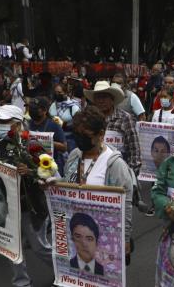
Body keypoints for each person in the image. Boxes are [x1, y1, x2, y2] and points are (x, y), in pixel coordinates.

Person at [0, 105, 53, 287]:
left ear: (17, 125)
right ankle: (22, 283)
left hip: (29, 207)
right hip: (6, 209)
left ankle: (64, 272)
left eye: (5, 122)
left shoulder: (32, 146)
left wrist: (30, 171)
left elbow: (49, 173)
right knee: (12, 248)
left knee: (40, 247)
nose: (0, 126)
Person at [63, 106, 133, 260]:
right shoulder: (74, 156)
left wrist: (125, 239)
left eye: (85, 135)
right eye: (77, 134)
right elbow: (66, 185)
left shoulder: (115, 165)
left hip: (104, 236)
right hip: (76, 233)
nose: (79, 138)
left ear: (101, 134)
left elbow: (126, 204)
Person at [84, 81, 141, 175]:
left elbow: (134, 151)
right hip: (94, 171)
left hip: (119, 173)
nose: (101, 101)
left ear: (112, 99)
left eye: (104, 97)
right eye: (98, 97)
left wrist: (129, 176)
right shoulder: (89, 119)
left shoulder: (125, 118)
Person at [28, 97, 67, 175]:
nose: (32, 111)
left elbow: (64, 147)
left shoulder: (53, 125)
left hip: (50, 168)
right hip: (33, 166)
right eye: (31, 108)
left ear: (44, 111)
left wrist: (46, 141)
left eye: (35, 109)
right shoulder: (29, 123)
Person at [49, 84, 80, 153]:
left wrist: (66, 125)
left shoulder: (73, 107)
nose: (57, 94)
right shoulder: (53, 105)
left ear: (65, 93)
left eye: (59, 92)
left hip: (69, 139)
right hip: (55, 139)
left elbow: (80, 125)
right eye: (55, 92)